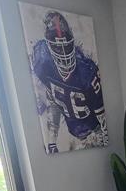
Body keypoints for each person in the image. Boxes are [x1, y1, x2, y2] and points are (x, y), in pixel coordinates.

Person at [30, 11, 106, 153]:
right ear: (49, 46)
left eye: (66, 46)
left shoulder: (86, 71)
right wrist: (52, 142)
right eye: (58, 47)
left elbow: (102, 116)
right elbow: (53, 101)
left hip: (94, 129)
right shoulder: (43, 64)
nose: (63, 51)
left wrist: (103, 137)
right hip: (75, 132)